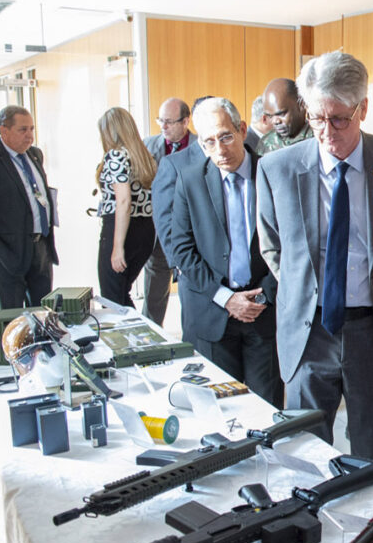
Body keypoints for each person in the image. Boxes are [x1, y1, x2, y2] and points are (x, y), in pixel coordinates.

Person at [257, 51, 373, 463]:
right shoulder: (276, 168)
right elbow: (272, 246)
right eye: (315, 118)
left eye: (339, 119)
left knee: (370, 455)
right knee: (304, 456)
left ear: (363, 108)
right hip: (308, 333)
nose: (326, 132)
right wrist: (307, 289)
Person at [170, 98, 284, 407]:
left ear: (242, 130)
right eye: (209, 141)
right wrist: (226, 298)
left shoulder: (273, 173)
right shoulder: (190, 181)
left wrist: (263, 296)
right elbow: (181, 248)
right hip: (212, 314)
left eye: (225, 136)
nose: (219, 148)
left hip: (264, 313)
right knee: (221, 410)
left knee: (266, 409)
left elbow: (293, 244)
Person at [0, 105, 58, 309]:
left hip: (41, 249)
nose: (29, 136)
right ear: (4, 131)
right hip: (9, 253)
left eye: (32, 129)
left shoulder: (35, 155)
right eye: (23, 130)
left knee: (44, 313)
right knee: (13, 317)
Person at [141, 97, 197, 325]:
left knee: (192, 295)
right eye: (160, 120)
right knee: (154, 295)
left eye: (169, 122)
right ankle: (152, 336)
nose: (163, 126)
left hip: (190, 232)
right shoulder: (147, 146)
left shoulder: (200, 146)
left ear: (185, 121)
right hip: (157, 233)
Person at [95, 107, 158, 308]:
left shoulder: (116, 156)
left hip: (121, 227)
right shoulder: (145, 157)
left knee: (112, 298)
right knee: (122, 294)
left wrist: (117, 247)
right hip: (145, 230)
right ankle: (138, 329)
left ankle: (130, 331)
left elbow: (123, 201)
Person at [256, 78, 313, 155]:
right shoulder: (266, 143)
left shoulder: (319, 137)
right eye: (270, 116)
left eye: (281, 114)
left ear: (301, 105)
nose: (275, 121)